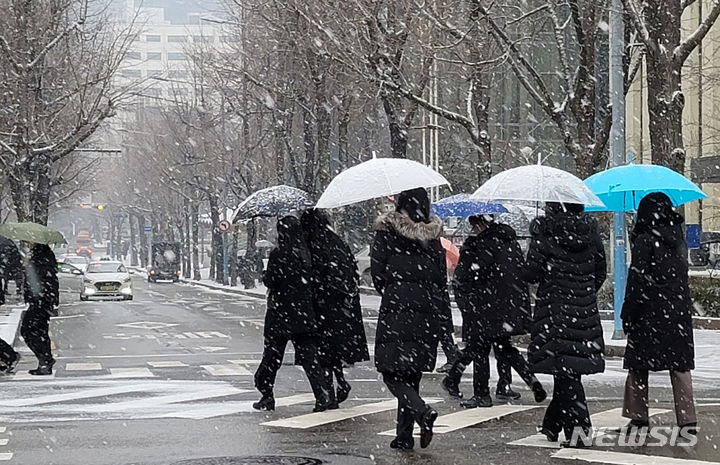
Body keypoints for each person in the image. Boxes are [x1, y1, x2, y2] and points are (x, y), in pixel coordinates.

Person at [442, 215, 546, 408]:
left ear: (479, 225)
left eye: (474, 226)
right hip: (508, 308)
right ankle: (531, 381)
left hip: (483, 308)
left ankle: (479, 393)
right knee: (504, 348)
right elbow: (519, 275)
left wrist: (467, 304)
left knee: (479, 350)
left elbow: (465, 277)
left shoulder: (477, 246)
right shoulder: (510, 243)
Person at [525, 202, 606, 448]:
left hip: (556, 311)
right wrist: (583, 293)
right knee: (570, 371)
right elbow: (600, 271)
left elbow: (531, 274)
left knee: (566, 373)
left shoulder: (546, 234)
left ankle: (579, 433)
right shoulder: (591, 234)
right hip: (584, 311)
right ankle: (552, 424)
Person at [371, 187, 447, 450]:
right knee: (411, 372)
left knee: (392, 372)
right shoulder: (433, 235)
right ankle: (404, 436)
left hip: (396, 306)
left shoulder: (386, 233)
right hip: (426, 309)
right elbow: (440, 277)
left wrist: (394, 289)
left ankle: (422, 412)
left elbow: (378, 274)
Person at [621, 193, 697, 434]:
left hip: (648, 312)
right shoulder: (678, 240)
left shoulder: (645, 240)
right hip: (677, 313)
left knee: (638, 366)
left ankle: (638, 417)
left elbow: (637, 281)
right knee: (680, 366)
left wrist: (628, 313)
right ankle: (687, 419)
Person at [253, 216, 331, 412]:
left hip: (280, 313)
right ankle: (322, 395)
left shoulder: (279, 254)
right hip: (303, 313)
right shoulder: (307, 254)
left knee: (272, 357)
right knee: (310, 358)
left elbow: (271, 281)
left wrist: (266, 273)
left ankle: (266, 394)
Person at [301, 209, 370, 407]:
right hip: (342, 306)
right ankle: (338, 384)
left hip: (323, 305)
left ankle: (328, 394)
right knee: (333, 351)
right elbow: (350, 272)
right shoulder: (337, 241)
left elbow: (316, 274)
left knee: (323, 353)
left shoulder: (315, 244)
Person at [21, 244, 59, 375]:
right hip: (42, 301)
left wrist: (27, 266)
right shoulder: (43, 257)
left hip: (40, 301)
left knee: (27, 330)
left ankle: (45, 359)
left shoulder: (39, 259)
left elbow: (38, 280)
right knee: (40, 332)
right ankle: (45, 361)